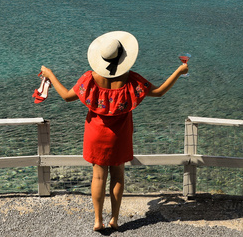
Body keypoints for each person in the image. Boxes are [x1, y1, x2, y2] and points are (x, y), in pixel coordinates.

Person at [39, 31, 189, 232]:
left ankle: (97, 221)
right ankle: (115, 219)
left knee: (98, 177)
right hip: (120, 136)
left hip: (96, 134)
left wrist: (50, 75)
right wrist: (179, 71)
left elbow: (66, 96)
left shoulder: (89, 79)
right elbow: (160, 92)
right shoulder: (132, 81)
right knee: (118, 176)